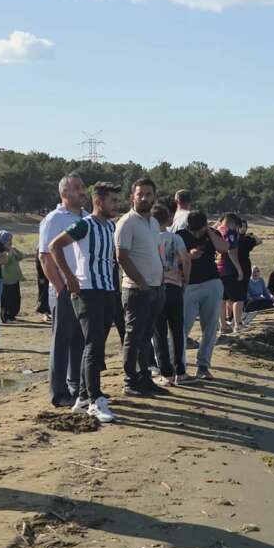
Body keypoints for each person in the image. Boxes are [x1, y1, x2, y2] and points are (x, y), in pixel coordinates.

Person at [49, 181, 121, 423]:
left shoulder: (110, 226)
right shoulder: (84, 225)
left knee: (95, 344)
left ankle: (81, 396)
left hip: (107, 290)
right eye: (112, 200)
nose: (116, 205)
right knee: (93, 346)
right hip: (88, 291)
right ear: (98, 202)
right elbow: (54, 246)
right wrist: (69, 277)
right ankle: (95, 400)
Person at [38, 173, 88, 408]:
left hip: (86, 289)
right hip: (65, 290)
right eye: (77, 188)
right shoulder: (54, 219)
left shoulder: (87, 218)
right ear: (64, 193)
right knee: (62, 342)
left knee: (80, 339)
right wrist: (61, 288)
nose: (82, 191)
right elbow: (45, 257)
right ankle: (58, 393)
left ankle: (76, 386)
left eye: (83, 187)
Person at [115, 178, 166, 397]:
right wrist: (142, 283)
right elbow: (121, 257)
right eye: (140, 194)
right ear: (132, 197)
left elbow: (155, 253)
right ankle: (130, 381)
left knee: (146, 337)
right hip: (136, 290)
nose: (144, 198)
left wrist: (159, 281)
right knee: (133, 337)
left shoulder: (153, 223)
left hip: (155, 287)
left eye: (148, 194)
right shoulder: (126, 222)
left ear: (154, 196)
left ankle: (145, 377)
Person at [177, 210, 233, 381]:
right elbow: (170, 258)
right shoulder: (180, 235)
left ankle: (203, 366)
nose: (196, 234)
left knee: (210, 327)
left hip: (212, 282)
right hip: (189, 285)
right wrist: (189, 256)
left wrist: (209, 231)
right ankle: (179, 368)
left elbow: (224, 248)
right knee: (182, 328)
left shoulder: (211, 233)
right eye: (193, 230)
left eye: (199, 230)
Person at [152, 204, 190, 386]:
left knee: (159, 333)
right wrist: (186, 280)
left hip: (157, 286)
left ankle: (166, 373)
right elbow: (186, 259)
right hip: (174, 286)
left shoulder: (150, 238)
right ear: (168, 220)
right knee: (176, 330)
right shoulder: (175, 238)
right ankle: (180, 372)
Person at [215, 214, 246, 334]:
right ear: (233, 223)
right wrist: (239, 269)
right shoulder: (230, 232)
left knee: (222, 299)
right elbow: (231, 251)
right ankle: (237, 324)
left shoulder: (217, 231)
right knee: (239, 297)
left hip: (217, 269)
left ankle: (223, 327)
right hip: (228, 269)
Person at [0, 230, 25, 323]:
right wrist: (9, 251)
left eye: (11, 240)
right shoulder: (0, 252)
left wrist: (14, 250)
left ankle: (12, 315)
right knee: (6, 300)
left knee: (15, 299)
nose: (10, 242)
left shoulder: (11, 250)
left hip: (14, 279)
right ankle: (6, 317)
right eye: (8, 240)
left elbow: (21, 257)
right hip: (6, 281)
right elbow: (6, 261)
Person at [33, 239, 51, 321]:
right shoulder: (40, 248)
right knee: (44, 294)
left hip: (51, 274)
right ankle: (45, 313)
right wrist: (41, 277)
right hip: (43, 276)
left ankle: (49, 312)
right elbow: (38, 264)